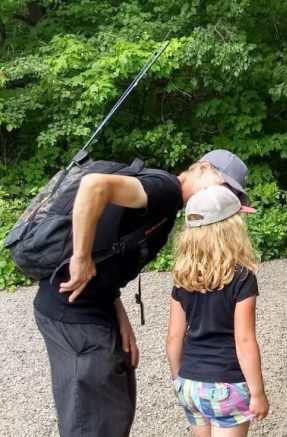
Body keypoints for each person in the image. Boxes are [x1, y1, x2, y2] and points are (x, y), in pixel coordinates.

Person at [33, 149, 251, 437]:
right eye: (223, 187)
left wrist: (117, 309)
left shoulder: (169, 205)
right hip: (73, 310)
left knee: (114, 412)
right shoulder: (166, 189)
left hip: (93, 308)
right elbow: (93, 185)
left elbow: (109, 247)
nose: (224, 197)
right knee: (96, 423)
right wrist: (80, 257)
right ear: (203, 168)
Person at [167, 185, 269, 436]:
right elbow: (244, 340)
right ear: (231, 230)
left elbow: (174, 337)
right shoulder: (242, 277)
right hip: (226, 384)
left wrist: (178, 379)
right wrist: (258, 393)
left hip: (190, 383)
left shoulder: (183, 276)